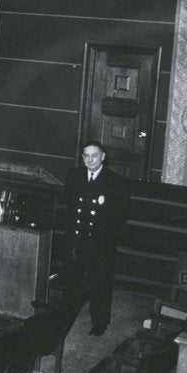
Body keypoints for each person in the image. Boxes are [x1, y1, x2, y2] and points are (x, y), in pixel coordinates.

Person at [62, 140, 129, 336]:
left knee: (99, 283)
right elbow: (69, 202)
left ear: (103, 157)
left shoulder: (116, 181)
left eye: (94, 156)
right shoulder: (73, 175)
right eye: (86, 156)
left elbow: (121, 215)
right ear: (82, 157)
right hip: (75, 238)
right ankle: (65, 319)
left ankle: (99, 323)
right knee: (71, 280)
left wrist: (105, 236)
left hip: (100, 242)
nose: (90, 160)